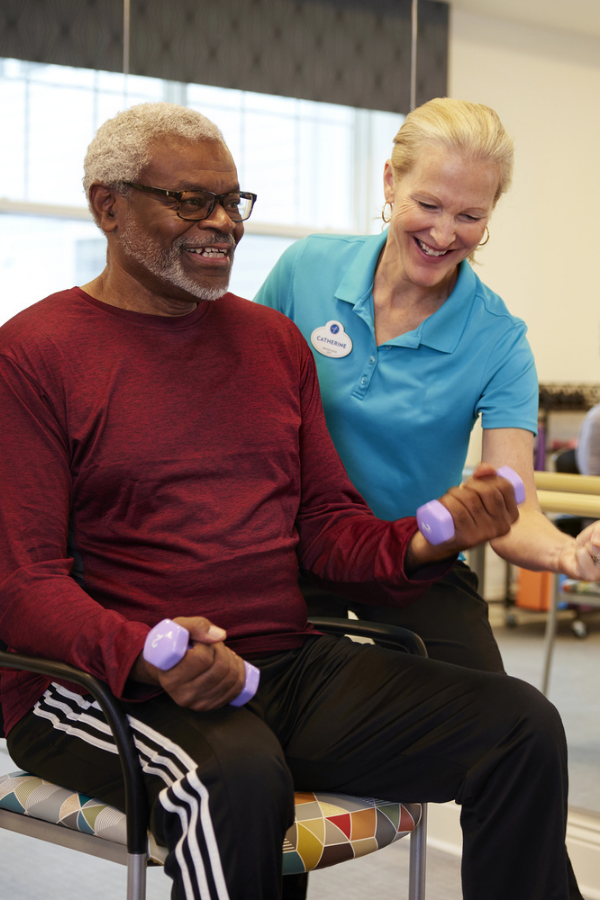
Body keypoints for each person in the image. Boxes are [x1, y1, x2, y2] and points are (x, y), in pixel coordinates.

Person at [0, 102, 590, 900]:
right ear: (108, 204)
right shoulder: (33, 353)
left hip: (279, 661)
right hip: (102, 684)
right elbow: (23, 582)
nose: (222, 224)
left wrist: (424, 541)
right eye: (189, 200)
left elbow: (324, 527)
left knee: (521, 726)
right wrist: (148, 650)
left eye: (232, 202)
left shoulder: (273, 345)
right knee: (236, 777)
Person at [254, 97, 600, 674]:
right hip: (292, 547)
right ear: (390, 182)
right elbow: (233, 396)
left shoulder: (500, 340)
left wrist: (569, 551)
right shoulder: (306, 269)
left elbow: (516, 510)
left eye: (470, 216)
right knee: (280, 698)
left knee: (494, 713)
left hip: (414, 552)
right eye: (428, 203)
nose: (443, 234)